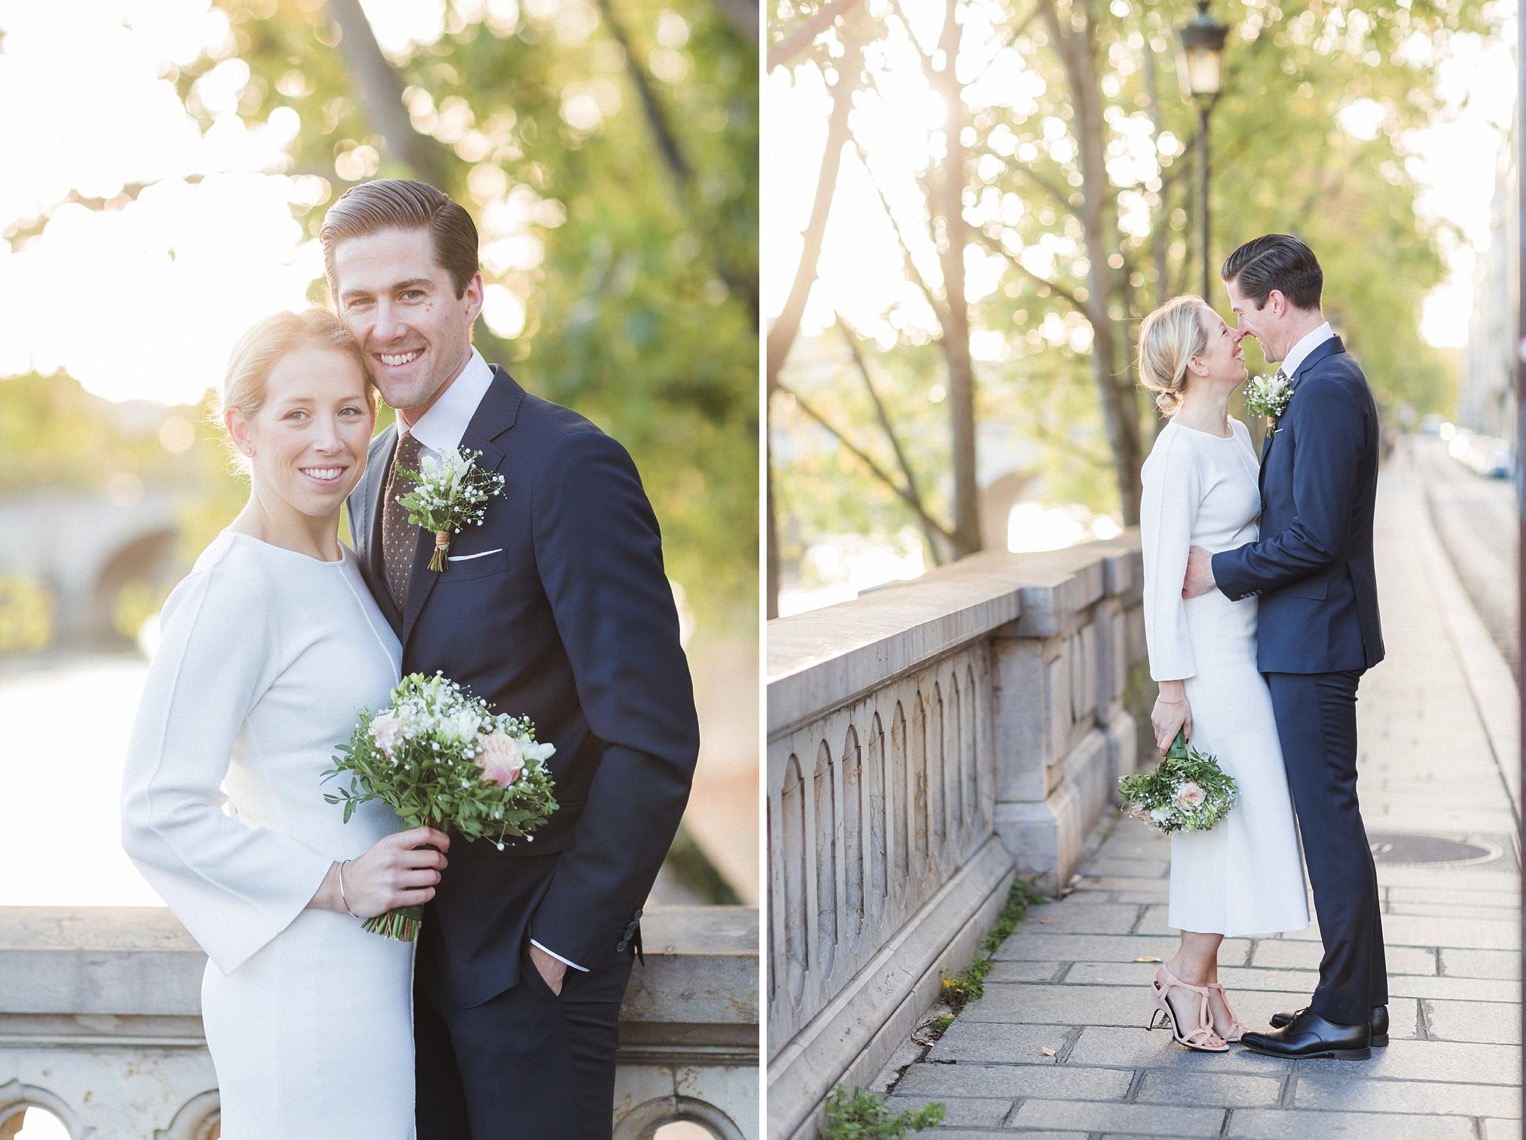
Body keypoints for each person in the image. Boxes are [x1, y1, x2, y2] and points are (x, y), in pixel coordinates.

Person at [322, 178, 700, 1139]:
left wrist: (564, 942)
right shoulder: (367, 480)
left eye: (411, 294)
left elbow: (652, 738)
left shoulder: (566, 466)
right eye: (358, 301)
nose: (385, 326)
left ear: (471, 294)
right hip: (401, 966)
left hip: (531, 968)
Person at [121, 308, 451, 1136]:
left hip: (376, 968)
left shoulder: (341, 564)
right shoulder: (233, 589)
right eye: (296, 415)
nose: (329, 440)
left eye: (348, 410)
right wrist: (338, 882)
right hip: (302, 979)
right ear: (243, 429)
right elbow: (156, 811)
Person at [1184, 233, 1387, 1060]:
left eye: (1242, 308)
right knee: (1330, 822)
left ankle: (1344, 1011)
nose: (1241, 327)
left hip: (1314, 644)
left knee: (1329, 826)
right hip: (1309, 640)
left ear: (1277, 301)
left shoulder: (1330, 387)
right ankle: (1355, 1005)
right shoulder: (1315, 383)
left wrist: (1218, 570)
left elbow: (1312, 536)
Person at [1136, 294, 1310, 1053]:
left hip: (1249, 648)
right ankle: (1184, 974)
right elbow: (1159, 581)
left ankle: (1202, 979)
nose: (1237, 333)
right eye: (1220, 329)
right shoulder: (1174, 454)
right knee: (1218, 821)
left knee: (1240, 817)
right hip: (1209, 668)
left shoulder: (1237, 432)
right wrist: (1172, 690)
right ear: (1195, 362)